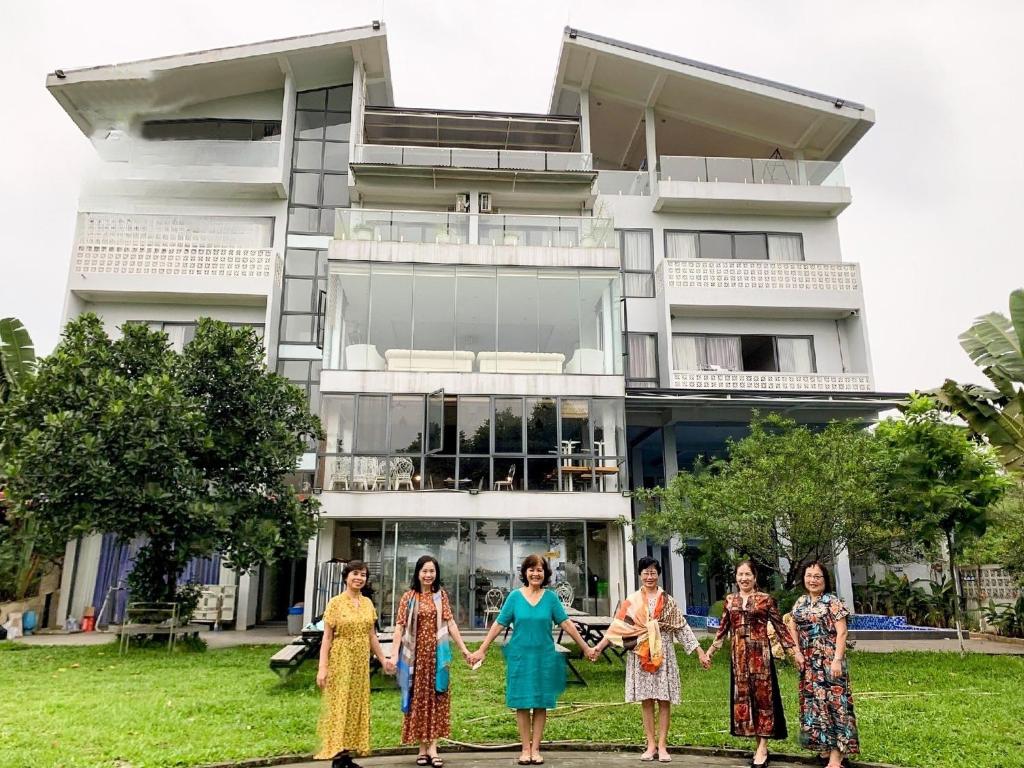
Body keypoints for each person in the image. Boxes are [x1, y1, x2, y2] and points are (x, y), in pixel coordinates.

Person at [468, 554, 594, 766]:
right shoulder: (515, 597)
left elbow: (567, 624)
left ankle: (536, 749)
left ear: (545, 574)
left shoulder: (551, 598)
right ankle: (525, 749)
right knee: (522, 703)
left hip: (544, 656)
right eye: (532, 569)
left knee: (541, 702)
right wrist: (482, 649)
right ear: (525, 573)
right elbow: (499, 624)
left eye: (540, 570)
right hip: (520, 657)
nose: (536, 573)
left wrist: (586, 647)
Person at [589, 557, 711, 763]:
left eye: (653, 572)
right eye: (645, 572)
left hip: (664, 654)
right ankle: (650, 745)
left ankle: (663, 746)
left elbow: (682, 628)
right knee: (646, 700)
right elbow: (617, 628)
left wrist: (700, 652)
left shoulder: (668, 600)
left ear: (658, 574)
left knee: (664, 700)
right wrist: (598, 648)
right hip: (640, 653)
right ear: (640, 575)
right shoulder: (632, 600)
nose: (649, 576)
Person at [707, 560, 803, 768]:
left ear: (755, 577)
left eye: (748, 574)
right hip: (739, 660)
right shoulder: (730, 600)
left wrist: (795, 652)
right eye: (740, 574)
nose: (744, 578)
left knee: (763, 700)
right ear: (736, 577)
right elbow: (723, 629)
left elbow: (781, 628)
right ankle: (758, 744)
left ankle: (762, 748)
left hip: (761, 659)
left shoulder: (765, 600)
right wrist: (710, 652)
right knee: (746, 700)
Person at [386, 555, 472, 768]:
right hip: (414, 658)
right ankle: (421, 748)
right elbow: (399, 626)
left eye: (432, 571)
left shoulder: (440, 596)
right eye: (424, 571)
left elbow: (450, 623)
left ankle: (433, 748)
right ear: (417, 573)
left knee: (436, 699)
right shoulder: (408, 597)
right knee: (417, 700)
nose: (428, 575)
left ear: (436, 574)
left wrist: (463, 649)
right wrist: (394, 654)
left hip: (437, 657)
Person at [315, 560, 390, 766]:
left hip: (360, 662)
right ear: (346, 577)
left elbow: (372, 636)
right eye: (355, 574)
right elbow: (327, 638)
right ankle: (337, 757)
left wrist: (383, 659)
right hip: (341, 658)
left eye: (363, 575)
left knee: (355, 705)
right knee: (340, 704)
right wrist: (323, 668)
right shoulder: (335, 603)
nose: (359, 578)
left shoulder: (367, 603)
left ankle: (347, 755)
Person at [791, 561, 859, 768]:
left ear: (825, 579)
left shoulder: (832, 602)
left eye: (817, 576)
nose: (812, 580)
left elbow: (842, 632)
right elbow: (792, 627)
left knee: (835, 706)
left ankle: (837, 756)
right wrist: (796, 652)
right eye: (809, 575)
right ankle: (824, 747)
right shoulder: (800, 602)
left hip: (829, 661)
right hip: (808, 663)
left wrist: (837, 659)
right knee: (814, 705)